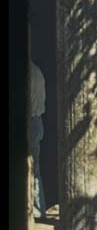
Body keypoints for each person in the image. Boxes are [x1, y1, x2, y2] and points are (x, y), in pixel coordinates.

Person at [30, 58, 46, 218]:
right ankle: (38, 208)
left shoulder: (28, 73)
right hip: (37, 121)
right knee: (35, 168)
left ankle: (35, 208)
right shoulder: (37, 71)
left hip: (29, 122)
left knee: (31, 168)